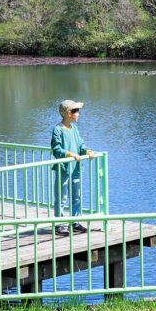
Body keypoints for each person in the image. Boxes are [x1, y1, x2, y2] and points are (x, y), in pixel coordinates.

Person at [50, 99, 95, 235]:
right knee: (62, 197)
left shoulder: (74, 128)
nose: (79, 114)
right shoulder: (58, 130)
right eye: (76, 111)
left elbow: (80, 144)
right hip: (64, 168)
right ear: (69, 113)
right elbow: (56, 149)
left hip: (75, 168)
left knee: (76, 196)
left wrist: (87, 151)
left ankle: (75, 222)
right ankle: (59, 224)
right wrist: (69, 154)